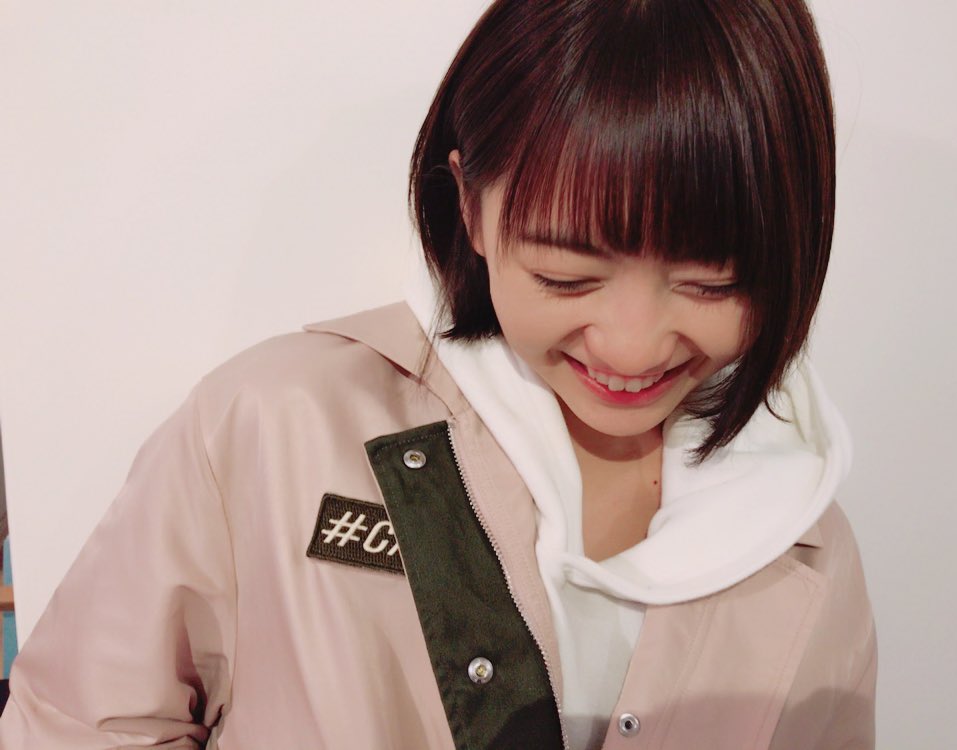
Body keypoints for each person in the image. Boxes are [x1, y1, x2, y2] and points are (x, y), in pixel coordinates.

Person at [0, 0, 876, 748]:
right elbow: (73, 724)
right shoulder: (278, 426)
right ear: (470, 207)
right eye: (566, 276)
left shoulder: (800, 539)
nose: (632, 346)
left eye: (710, 284)